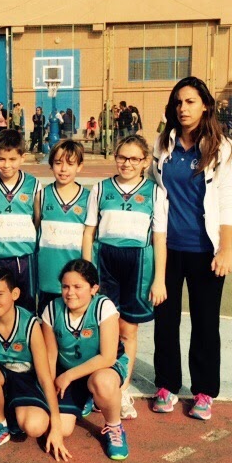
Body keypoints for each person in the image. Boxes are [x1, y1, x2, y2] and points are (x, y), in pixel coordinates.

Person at [150, 76, 232, 421]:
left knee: (205, 323)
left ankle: (203, 391)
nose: (183, 108)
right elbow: (155, 191)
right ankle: (166, 384)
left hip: (205, 250)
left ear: (205, 105)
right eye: (178, 102)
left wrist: (226, 249)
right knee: (165, 320)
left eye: (190, 102)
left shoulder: (222, 148)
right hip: (168, 248)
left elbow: (228, 199)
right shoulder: (163, 144)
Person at [82, 134, 167, 420]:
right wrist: (87, 273)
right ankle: (97, 386)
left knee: (128, 330)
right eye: (122, 157)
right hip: (105, 261)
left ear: (145, 162)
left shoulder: (155, 192)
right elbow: (89, 232)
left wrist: (159, 279)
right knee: (102, 327)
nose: (127, 163)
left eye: (134, 158)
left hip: (138, 264)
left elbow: (159, 239)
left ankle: (121, 390)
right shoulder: (100, 189)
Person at [0, 267, 69, 460]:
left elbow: (44, 378)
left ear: (14, 294)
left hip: (26, 379)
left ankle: (12, 412)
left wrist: (56, 427)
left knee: (35, 427)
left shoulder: (30, 324)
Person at [40, 259, 130, 461]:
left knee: (102, 382)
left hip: (103, 368)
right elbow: (50, 357)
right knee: (62, 429)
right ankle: (87, 397)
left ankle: (114, 426)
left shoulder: (103, 306)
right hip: (68, 371)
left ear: (93, 288)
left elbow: (107, 357)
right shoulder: (52, 310)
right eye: (65, 286)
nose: (70, 292)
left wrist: (67, 376)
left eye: (77, 287)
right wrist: (50, 393)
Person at [0, 129, 41, 312]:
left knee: (26, 307)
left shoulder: (33, 184)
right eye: (1, 159)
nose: (6, 165)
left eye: (12, 159)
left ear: (22, 157)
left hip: (24, 259)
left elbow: (37, 219)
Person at [35, 140, 88, 312]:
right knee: (46, 322)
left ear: (79, 166)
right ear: (51, 165)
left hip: (75, 280)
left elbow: (90, 239)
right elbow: (36, 230)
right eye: (58, 163)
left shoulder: (89, 198)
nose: (64, 169)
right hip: (47, 278)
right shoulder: (42, 196)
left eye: (70, 164)